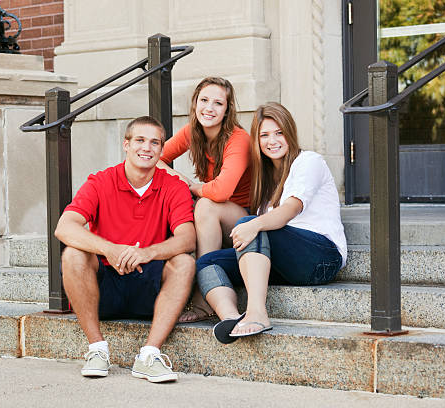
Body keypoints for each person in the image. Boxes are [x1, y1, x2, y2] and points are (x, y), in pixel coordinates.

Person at [55, 116, 196, 382]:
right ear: (126, 145)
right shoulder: (101, 181)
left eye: (155, 143)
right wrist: (110, 249)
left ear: (162, 150)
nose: (147, 148)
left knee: (185, 262)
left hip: (149, 285)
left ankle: (149, 355)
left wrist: (147, 252)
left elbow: (187, 238)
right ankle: (97, 350)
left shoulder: (173, 186)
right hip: (105, 287)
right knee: (73, 254)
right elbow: (65, 227)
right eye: (140, 140)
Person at [195, 102, 347, 344]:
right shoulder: (264, 181)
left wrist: (252, 225)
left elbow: (289, 210)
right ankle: (232, 318)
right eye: (264, 135)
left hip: (321, 257)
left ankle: (258, 313)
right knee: (206, 262)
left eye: (279, 133)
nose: (272, 141)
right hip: (284, 263)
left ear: (290, 133)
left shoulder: (308, 161)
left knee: (252, 224)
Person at [157, 77, 251, 323]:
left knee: (206, 205)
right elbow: (154, 158)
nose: (209, 108)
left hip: (244, 218)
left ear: (227, 109)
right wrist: (183, 182)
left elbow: (221, 192)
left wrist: (192, 186)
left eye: (218, 103)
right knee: (185, 206)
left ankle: (202, 298)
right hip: (213, 213)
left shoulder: (238, 138)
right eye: (204, 100)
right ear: (195, 103)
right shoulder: (192, 132)